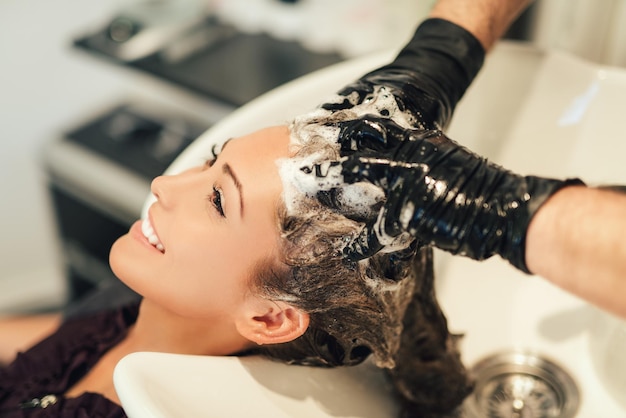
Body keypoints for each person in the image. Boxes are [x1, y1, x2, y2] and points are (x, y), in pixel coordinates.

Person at [0, 0, 539, 417]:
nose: (165, 183)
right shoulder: (152, 311)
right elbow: (57, 342)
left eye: (216, 200)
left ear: (270, 317)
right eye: (213, 162)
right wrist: (446, 49)